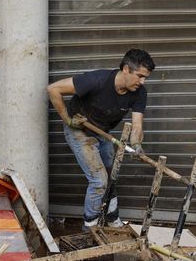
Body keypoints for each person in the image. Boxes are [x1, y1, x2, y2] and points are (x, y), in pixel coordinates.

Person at [47, 48, 154, 228]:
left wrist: (136, 144)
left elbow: (137, 126)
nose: (142, 82)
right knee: (99, 181)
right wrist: (67, 119)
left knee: (111, 176)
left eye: (146, 78)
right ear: (126, 69)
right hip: (79, 130)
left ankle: (112, 217)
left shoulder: (139, 93)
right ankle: (89, 226)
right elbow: (53, 89)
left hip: (102, 132)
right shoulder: (97, 80)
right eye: (140, 76)